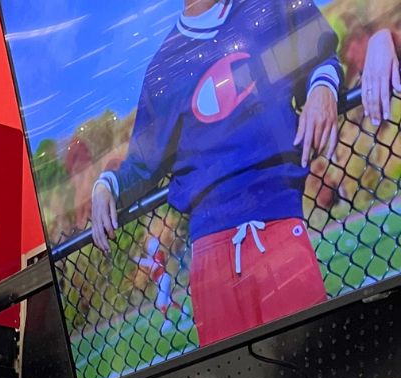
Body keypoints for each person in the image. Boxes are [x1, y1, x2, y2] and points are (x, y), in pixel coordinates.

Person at [89, 0, 341, 346]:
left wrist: (323, 86)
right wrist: (106, 185)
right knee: (230, 377)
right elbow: (142, 164)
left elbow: (321, 56)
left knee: (312, 359)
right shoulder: (164, 67)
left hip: (279, 227)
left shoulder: (269, 7)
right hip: (209, 257)